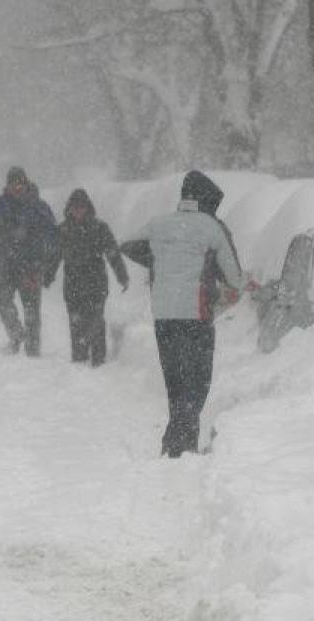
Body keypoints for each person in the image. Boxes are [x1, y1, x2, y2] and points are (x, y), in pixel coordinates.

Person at [120, 171, 243, 458]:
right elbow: (234, 278)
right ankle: (179, 446)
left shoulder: (158, 225)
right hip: (196, 315)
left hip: (164, 315)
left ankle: (178, 444)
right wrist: (211, 268)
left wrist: (157, 259)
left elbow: (127, 245)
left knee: (175, 381)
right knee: (198, 382)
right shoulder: (213, 228)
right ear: (208, 200)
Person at [0, 166, 57, 356]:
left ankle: (33, 351)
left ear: (26, 183)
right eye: (13, 183)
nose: (17, 187)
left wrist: (45, 262)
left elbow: (52, 236)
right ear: (8, 185)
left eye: (20, 183)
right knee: (1, 300)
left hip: (32, 268)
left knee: (32, 311)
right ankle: (17, 333)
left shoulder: (39, 207)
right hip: (7, 265)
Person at [44, 188, 129, 366]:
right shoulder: (63, 230)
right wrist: (47, 275)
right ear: (69, 209)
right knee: (76, 323)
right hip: (72, 286)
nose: (78, 211)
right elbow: (54, 256)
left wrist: (122, 276)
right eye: (75, 207)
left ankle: (99, 359)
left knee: (96, 320)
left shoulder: (100, 228)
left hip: (96, 284)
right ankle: (79, 358)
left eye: (81, 207)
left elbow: (113, 253)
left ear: (87, 208)